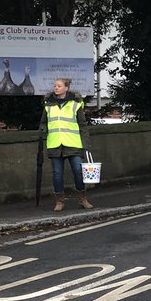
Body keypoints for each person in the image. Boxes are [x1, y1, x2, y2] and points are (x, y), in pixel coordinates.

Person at [40, 78, 93, 211]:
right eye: (54, 86)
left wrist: (85, 142)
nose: (56, 88)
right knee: (57, 174)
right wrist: (43, 132)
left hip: (73, 143)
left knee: (78, 172)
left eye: (59, 86)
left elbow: (82, 125)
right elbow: (43, 123)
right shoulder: (49, 104)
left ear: (66, 88)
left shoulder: (75, 104)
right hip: (55, 143)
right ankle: (59, 201)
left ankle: (82, 199)